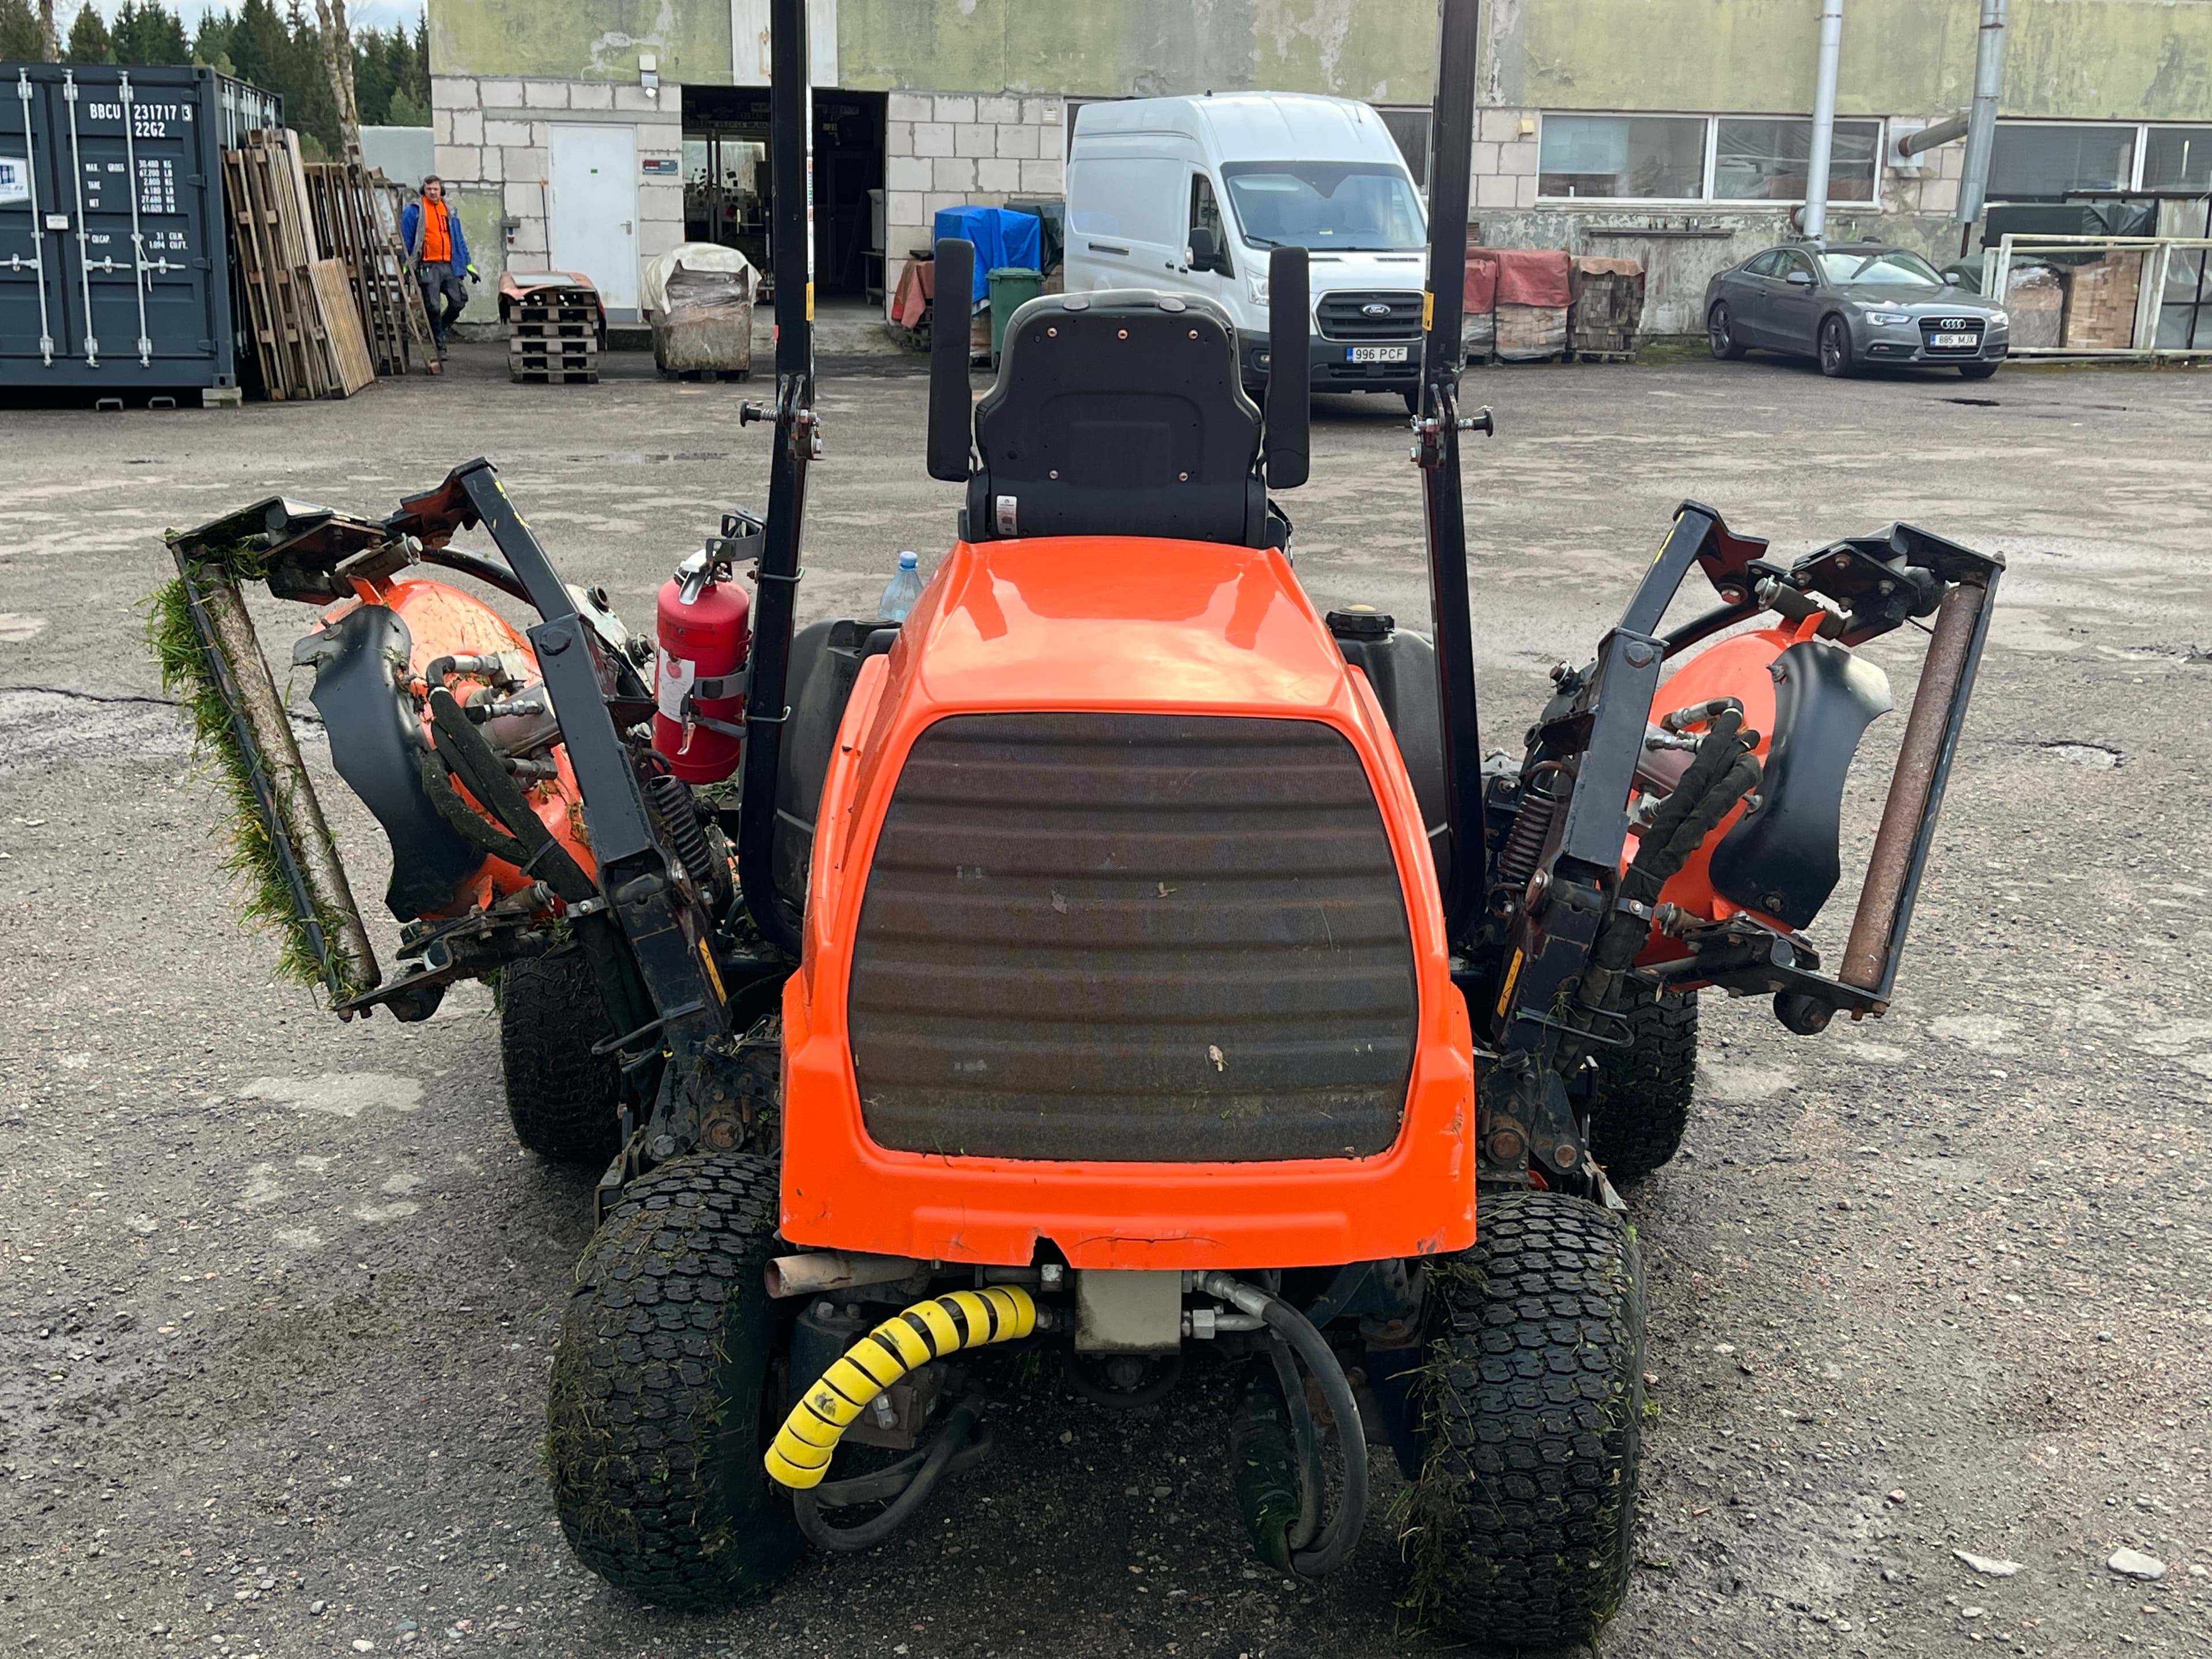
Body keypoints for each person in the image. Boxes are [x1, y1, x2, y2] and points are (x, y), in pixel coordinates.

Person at [400, 176, 478, 359]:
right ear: (424, 190)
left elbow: (459, 240)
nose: (433, 192)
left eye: (436, 189)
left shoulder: (449, 211)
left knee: (459, 301)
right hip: (428, 265)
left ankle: (440, 329)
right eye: (429, 189)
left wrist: (469, 265)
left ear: (441, 190)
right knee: (433, 307)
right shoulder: (415, 211)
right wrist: (405, 266)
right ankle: (440, 346)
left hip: (449, 265)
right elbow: (406, 240)